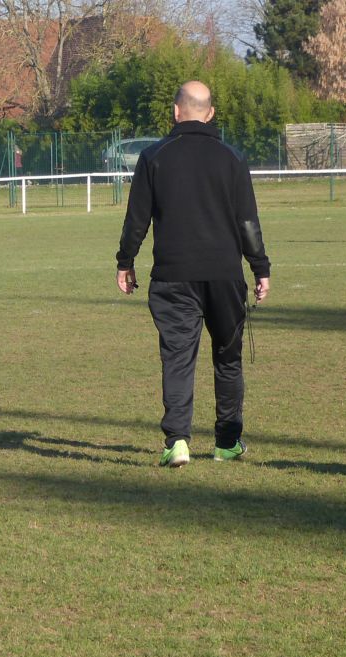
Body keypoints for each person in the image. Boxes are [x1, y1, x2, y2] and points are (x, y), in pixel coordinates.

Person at [115, 80, 271, 467]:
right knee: (228, 359)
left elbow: (137, 219)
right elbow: (247, 222)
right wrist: (260, 268)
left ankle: (177, 442)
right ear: (211, 113)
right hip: (224, 276)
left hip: (172, 276)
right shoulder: (233, 159)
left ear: (176, 111)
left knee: (177, 359)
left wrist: (126, 261)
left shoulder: (153, 157)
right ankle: (227, 443)